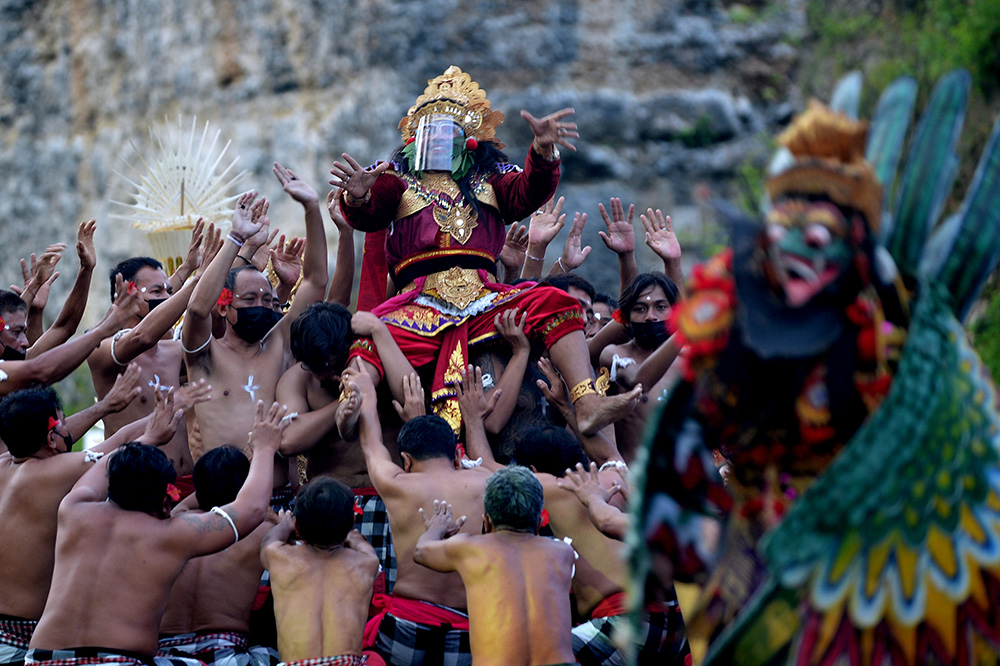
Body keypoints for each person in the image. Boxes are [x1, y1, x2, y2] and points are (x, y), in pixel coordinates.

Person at [331, 65, 639, 437]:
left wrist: (543, 151)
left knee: (558, 303)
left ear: (471, 140)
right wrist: (359, 194)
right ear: (414, 139)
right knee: (366, 340)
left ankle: (587, 401)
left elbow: (528, 190)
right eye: (432, 132)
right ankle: (353, 407)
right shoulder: (396, 180)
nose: (439, 141)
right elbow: (369, 212)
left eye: (450, 133)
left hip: (485, 298)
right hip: (418, 302)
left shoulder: (489, 178)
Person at [25, 400, 289, 666]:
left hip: (39, 659)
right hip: (118, 661)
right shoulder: (169, 534)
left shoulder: (74, 509)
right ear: (165, 504)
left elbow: (103, 468)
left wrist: (149, 437)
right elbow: (251, 509)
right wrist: (265, 448)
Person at [458, 369, 688, 665]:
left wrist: (474, 420)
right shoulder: (617, 474)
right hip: (671, 623)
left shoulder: (551, 487)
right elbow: (607, 454)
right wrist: (567, 408)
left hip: (625, 624)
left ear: (531, 469)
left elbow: (483, 466)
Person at [0, 382, 178, 666]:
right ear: (50, 438)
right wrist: (154, 433)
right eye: (64, 424)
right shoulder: (56, 471)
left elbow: (115, 440)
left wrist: (164, 409)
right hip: (20, 642)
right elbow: (115, 452)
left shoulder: (5, 464)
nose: (69, 431)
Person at [182, 165, 327, 505]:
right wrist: (236, 239)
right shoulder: (205, 355)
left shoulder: (277, 343)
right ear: (225, 307)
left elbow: (316, 281)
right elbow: (196, 310)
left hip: (278, 497)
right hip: (222, 499)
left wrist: (311, 208)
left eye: (267, 299)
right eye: (249, 300)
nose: (261, 306)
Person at [342, 365, 492, 666]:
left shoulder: (397, 485)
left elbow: (371, 446)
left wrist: (367, 393)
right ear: (458, 457)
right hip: (468, 626)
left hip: (405, 624)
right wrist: (474, 421)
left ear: (406, 461)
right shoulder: (486, 482)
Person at [275, 302, 412, 591]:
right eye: (315, 367)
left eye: (330, 364)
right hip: (329, 509)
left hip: (390, 499)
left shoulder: (374, 359)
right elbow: (287, 441)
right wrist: (347, 400)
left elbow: (411, 400)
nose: (325, 375)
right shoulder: (298, 379)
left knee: (393, 594)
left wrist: (379, 331)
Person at [413, 466, 577, 666]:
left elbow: (421, 551)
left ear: (487, 522)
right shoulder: (563, 554)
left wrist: (437, 529)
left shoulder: (469, 549)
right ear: (538, 524)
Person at [88, 225, 210, 485]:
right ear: (127, 294)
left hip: (186, 482)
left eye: (170, 291)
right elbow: (144, 335)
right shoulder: (102, 348)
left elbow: (223, 342)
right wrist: (198, 280)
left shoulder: (174, 350)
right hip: (136, 485)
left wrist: (240, 252)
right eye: (158, 292)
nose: (167, 298)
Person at [158, 446, 280, 666]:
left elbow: (183, 506)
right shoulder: (261, 530)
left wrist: (206, 484)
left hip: (166, 655)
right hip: (227, 655)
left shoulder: (170, 526)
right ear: (244, 488)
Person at [260, 478, 380, 666]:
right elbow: (364, 547)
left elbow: (269, 541)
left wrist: (283, 524)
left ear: (297, 527)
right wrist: (353, 537)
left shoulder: (279, 558)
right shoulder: (366, 562)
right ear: (352, 522)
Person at [599, 272, 683, 462]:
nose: (650, 317)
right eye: (640, 309)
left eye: (660, 307)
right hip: (633, 481)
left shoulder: (687, 362)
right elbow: (638, 381)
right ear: (627, 318)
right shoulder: (613, 355)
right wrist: (688, 328)